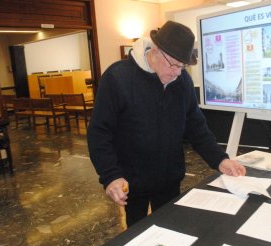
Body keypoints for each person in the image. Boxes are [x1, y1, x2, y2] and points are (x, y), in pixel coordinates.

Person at [87, 20, 246, 227]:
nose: (178, 72)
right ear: (155, 51)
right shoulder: (118, 78)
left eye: (183, 67)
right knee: (136, 236)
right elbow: (99, 132)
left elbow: (196, 127)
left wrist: (220, 160)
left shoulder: (182, 82)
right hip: (131, 183)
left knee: (172, 230)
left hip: (170, 181)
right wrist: (111, 176)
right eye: (174, 65)